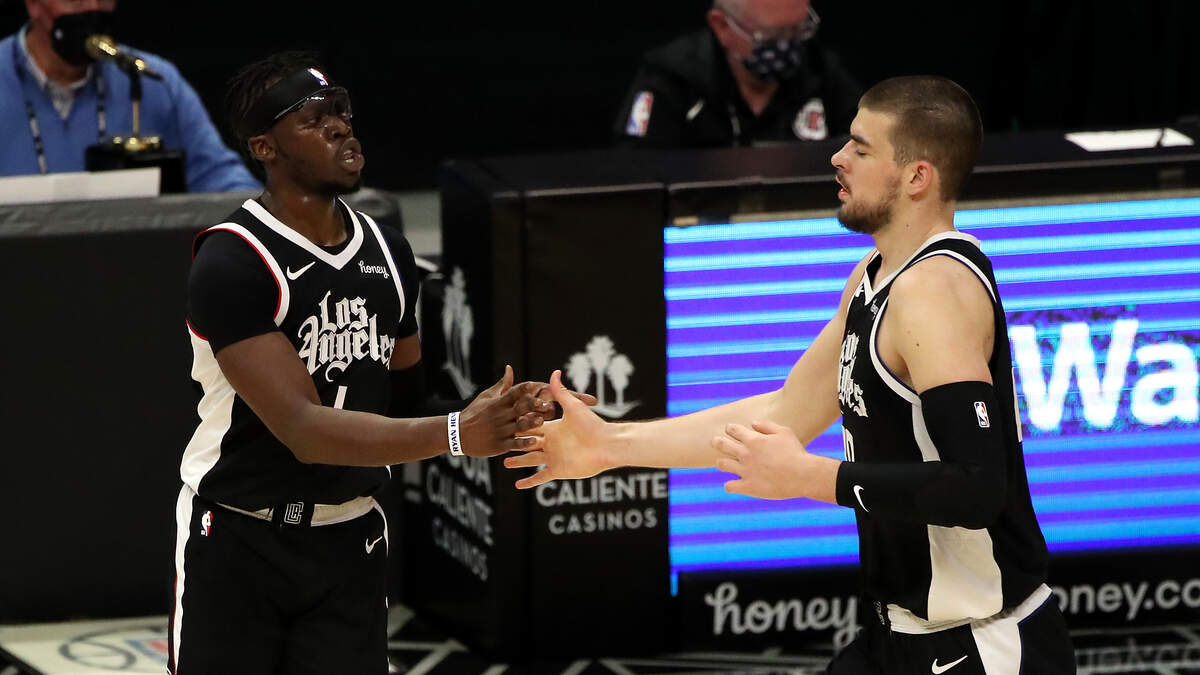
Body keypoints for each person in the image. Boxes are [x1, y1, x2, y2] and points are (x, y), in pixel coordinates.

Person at [515, 76, 1076, 673]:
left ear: (917, 177)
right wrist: (610, 444)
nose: (838, 158)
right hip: (896, 636)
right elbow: (784, 413)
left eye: (861, 148)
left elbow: (977, 488)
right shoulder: (875, 275)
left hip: (983, 645)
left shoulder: (934, 290)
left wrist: (811, 477)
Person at [170, 51, 570, 674]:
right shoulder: (233, 261)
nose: (340, 127)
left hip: (350, 535)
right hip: (238, 537)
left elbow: (406, 406)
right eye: (313, 119)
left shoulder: (390, 252)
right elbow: (303, 430)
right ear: (265, 148)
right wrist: (458, 432)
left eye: (342, 112)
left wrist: (509, 415)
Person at [0, 0, 260, 192]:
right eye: (75, 0)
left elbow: (218, 176)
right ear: (33, 5)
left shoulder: (151, 79)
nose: (93, 8)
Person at [613, 0, 861, 149]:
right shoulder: (670, 81)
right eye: (770, 36)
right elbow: (637, 176)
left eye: (798, 30)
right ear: (721, 26)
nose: (787, 45)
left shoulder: (822, 71)